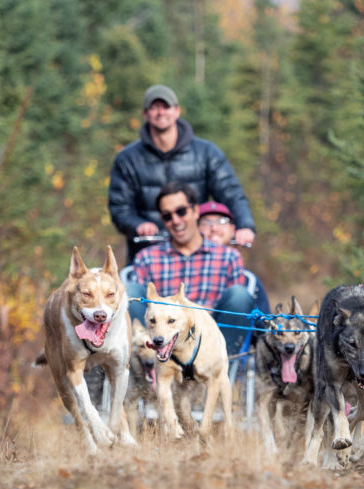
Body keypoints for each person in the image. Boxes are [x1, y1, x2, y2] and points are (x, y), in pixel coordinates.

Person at [109, 84, 256, 264]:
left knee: (241, 291)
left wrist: (244, 226)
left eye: (166, 107)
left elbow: (231, 193)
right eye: (154, 108)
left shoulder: (206, 153)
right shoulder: (127, 159)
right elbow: (119, 208)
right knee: (132, 290)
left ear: (177, 111)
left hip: (198, 253)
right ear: (145, 114)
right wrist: (138, 225)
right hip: (149, 255)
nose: (160, 112)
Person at [125, 182, 254, 356]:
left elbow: (236, 308)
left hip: (209, 343)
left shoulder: (228, 257)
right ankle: (146, 370)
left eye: (181, 211)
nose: (176, 220)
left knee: (240, 295)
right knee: (130, 291)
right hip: (161, 340)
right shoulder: (146, 257)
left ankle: (223, 367)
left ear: (195, 211)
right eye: (167, 216)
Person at [198, 200, 271, 319]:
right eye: (206, 222)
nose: (214, 228)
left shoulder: (250, 281)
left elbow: (263, 325)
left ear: (232, 229)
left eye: (222, 221)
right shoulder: (186, 270)